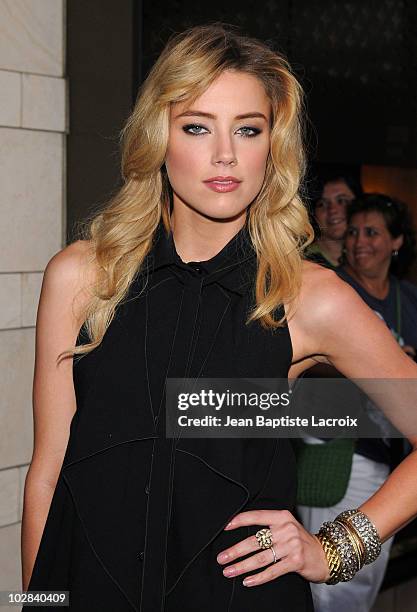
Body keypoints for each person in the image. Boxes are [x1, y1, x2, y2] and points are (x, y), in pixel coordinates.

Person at [21, 24, 417, 612]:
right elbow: (49, 474)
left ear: (271, 147)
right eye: (198, 127)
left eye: (248, 130)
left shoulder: (309, 296)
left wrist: (335, 550)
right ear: (160, 136)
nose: (225, 154)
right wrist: (34, 603)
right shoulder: (82, 277)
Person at [298, 193, 417, 612]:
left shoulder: (407, 299)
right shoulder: (331, 291)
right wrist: (367, 367)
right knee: (332, 592)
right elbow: (306, 366)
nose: (359, 241)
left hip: (397, 458)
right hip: (341, 455)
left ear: (397, 242)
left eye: (372, 232)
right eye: (352, 232)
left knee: (363, 586)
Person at [307, 173, 363, 268]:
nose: (332, 210)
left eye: (342, 201)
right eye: (322, 204)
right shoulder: (304, 262)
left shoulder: (371, 259)